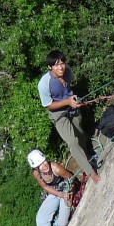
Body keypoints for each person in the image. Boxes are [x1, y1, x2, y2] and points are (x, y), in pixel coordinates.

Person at [37, 50, 100, 184]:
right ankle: (90, 172)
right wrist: (67, 102)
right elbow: (48, 105)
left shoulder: (67, 72)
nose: (60, 67)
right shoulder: (44, 84)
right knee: (72, 141)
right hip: (58, 114)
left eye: (62, 63)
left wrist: (73, 100)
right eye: (56, 65)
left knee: (80, 135)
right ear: (50, 67)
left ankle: (88, 156)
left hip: (72, 105)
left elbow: (68, 88)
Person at [28, 149, 73, 226]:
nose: (44, 166)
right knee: (41, 219)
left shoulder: (56, 168)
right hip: (55, 193)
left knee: (62, 223)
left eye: (44, 162)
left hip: (66, 189)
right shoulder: (37, 173)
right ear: (36, 168)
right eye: (40, 166)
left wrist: (68, 196)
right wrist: (59, 195)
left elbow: (71, 179)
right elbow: (45, 186)